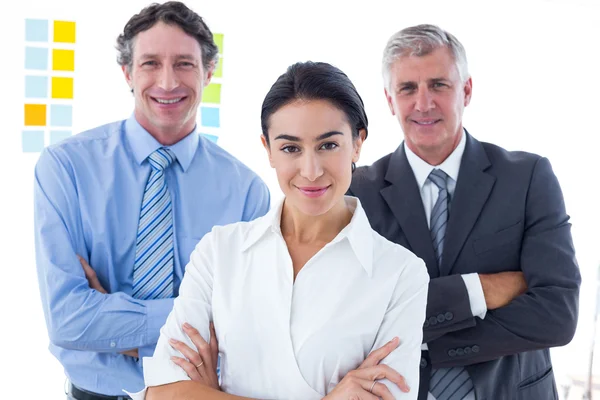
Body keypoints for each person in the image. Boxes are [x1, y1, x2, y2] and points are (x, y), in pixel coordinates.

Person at [126, 61, 430, 400]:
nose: (310, 170)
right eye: (290, 148)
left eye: (328, 145)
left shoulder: (400, 273)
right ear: (268, 149)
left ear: (358, 143)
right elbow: (162, 394)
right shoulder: (220, 252)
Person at [33, 2, 270, 399]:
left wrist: (115, 324)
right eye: (149, 63)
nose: (167, 81)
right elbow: (67, 320)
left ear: (209, 71)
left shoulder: (247, 191)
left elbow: (248, 325)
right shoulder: (65, 168)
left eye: (184, 64)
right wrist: (190, 321)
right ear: (127, 72)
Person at [348, 24, 581, 399]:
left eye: (438, 84)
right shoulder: (357, 195)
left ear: (466, 90)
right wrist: (478, 290)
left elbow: (557, 315)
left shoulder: (527, 178)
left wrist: (428, 342)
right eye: (408, 88)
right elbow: (352, 319)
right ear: (390, 101)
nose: (423, 104)